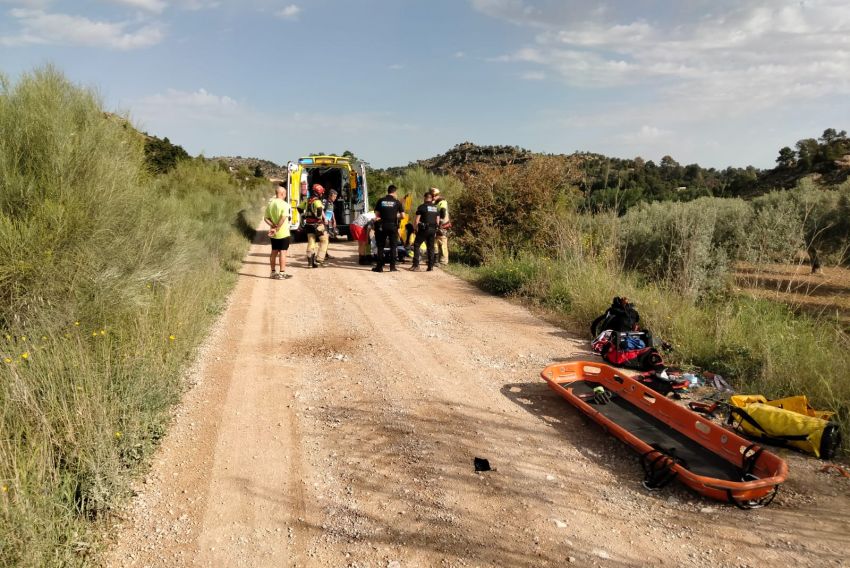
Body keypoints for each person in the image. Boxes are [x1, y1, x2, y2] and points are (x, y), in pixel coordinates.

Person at [372, 184, 404, 272]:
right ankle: (392, 267)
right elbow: (403, 216)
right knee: (393, 246)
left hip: (382, 226)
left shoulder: (381, 200)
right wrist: (395, 216)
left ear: (388, 191)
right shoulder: (397, 202)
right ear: (395, 192)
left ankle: (379, 267)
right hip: (393, 226)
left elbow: (377, 215)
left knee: (380, 246)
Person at [264, 183, 292, 279]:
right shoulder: (285, 205)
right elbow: (283, 218)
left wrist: (272, 226)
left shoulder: (270, 204)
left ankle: (272, 272)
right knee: (283, 252)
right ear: (282, 193)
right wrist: (277, 228)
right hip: (283, 233)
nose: (285, 196)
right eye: (285, 194)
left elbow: (265, 218)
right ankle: (282, 273)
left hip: (273, 233)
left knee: (274, 252)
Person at [410, 191, 439, 271]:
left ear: (425, 198)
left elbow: (416, 220)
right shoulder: (436, 208)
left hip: (424, 229)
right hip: (433, 230)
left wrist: (415, 229)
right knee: (431, 247)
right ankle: (430, 266)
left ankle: (416, 265)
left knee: (416, 244)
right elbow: (437, 221)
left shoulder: (422, 207)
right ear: (432, 198)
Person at [303, 184, 329, 268]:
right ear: (319, 192)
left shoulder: (307, 200)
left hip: (308, 225)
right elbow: (319, 209)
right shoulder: (317, 201)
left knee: (311, 242)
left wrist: (304, 216)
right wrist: (320, 217)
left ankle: (310, 263)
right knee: (324, 240)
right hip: (317, 225)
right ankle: (319, 260)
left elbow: (299, 208)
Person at [431, 187, 450, 265]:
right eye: (432, 196)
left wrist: (440, 222)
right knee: (435, 241)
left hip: (443, 224)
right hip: (437, 224)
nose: (433, 197)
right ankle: (435, 260)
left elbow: (443, 211)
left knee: (442, 241)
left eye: (434, 196)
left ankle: (444, 261)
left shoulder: (442, 201)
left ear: (436, 195)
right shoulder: (435, 202)